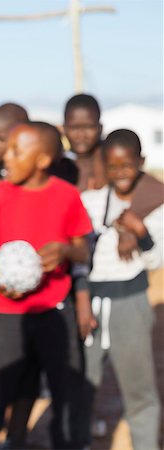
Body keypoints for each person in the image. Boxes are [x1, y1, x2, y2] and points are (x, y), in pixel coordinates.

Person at [0, 122, 93, 450]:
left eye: (16, 151)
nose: (6, 156)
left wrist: (65, 250)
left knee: (65, 392)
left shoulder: (66, 196)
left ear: (42, 160)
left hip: (55, 311)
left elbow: (83, 248)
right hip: (8, 310)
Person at [81, 129, 163, 450]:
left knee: (139, 388)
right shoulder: (91, 202)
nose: (121, 174)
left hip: (130, 301)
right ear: (104, 165)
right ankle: (81, 441)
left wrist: (140, 232)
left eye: (128, 166)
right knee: (83, 384)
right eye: (113, 167)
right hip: (90, 302)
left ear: (141, 162)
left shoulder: (154, 207)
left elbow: (156, 259)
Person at [63, 93, 106, 192]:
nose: (81, 135)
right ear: (64, 129)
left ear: (100, 128)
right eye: (74, 128)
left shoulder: (110, 164)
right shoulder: (58, 167)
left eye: (88, 127)